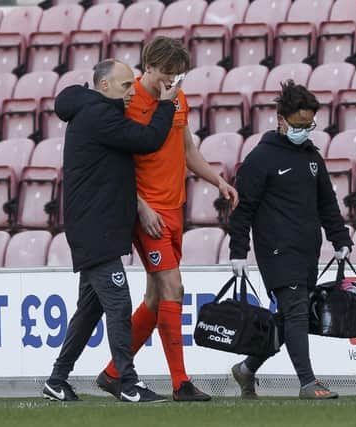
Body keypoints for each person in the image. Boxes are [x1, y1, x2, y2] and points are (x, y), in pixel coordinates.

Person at [96, 36, 238, 402]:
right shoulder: (128, 104)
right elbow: (115, 166)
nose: (172, 82)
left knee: (156, 299)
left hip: (176, 209)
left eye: (178, 76)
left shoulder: (176, 98)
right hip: (149, 214)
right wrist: (140, 205)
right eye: (166, 75)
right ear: (149, 68)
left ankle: (114, 373)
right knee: (174, 288)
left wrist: (217, 179)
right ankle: (181, 384)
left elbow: (186, 148)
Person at [42, 59, 179, 403]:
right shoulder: (100, 116)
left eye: (132, 85)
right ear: (104, 87)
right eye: (125, 87)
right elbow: (147, 140)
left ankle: (57, 380)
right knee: (119, 305)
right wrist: (165, 105)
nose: (132, 92)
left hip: (95, 228)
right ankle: (126, 383)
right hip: (96, 231)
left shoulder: (92, 111)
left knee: (90, 311)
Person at [228, 80, 353, 400]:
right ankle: (308, 383)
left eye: (309, 125)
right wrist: (237, 251)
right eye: (298, 124)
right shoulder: (260, 159)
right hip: (275, 250)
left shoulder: (312, 157)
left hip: (306, 249)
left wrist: (340, 238)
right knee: (296, 310)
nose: (304, 130)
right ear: (280, 119)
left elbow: (327, 202)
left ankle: (246, 369)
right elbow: (243, 210)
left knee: (287, 317)